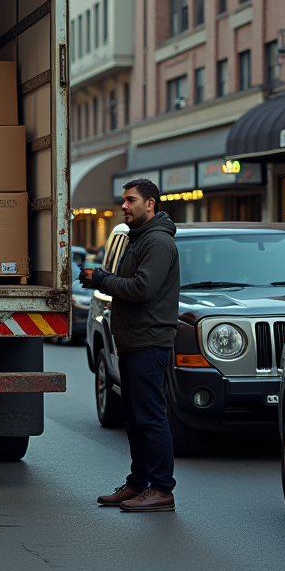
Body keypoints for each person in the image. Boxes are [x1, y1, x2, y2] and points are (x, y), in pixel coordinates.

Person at [81, 178, 180, 513]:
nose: (124, 206)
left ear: (150, 204)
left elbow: (142, 289)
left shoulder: (158, 242)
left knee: (151, 417)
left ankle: (162, 489)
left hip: (149, 342)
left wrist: (101, 279)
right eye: (124, 200)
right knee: (135, 417)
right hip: (132, 342)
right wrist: (106, 286)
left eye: (131, 200)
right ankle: (138, 484)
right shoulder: (137, 239)